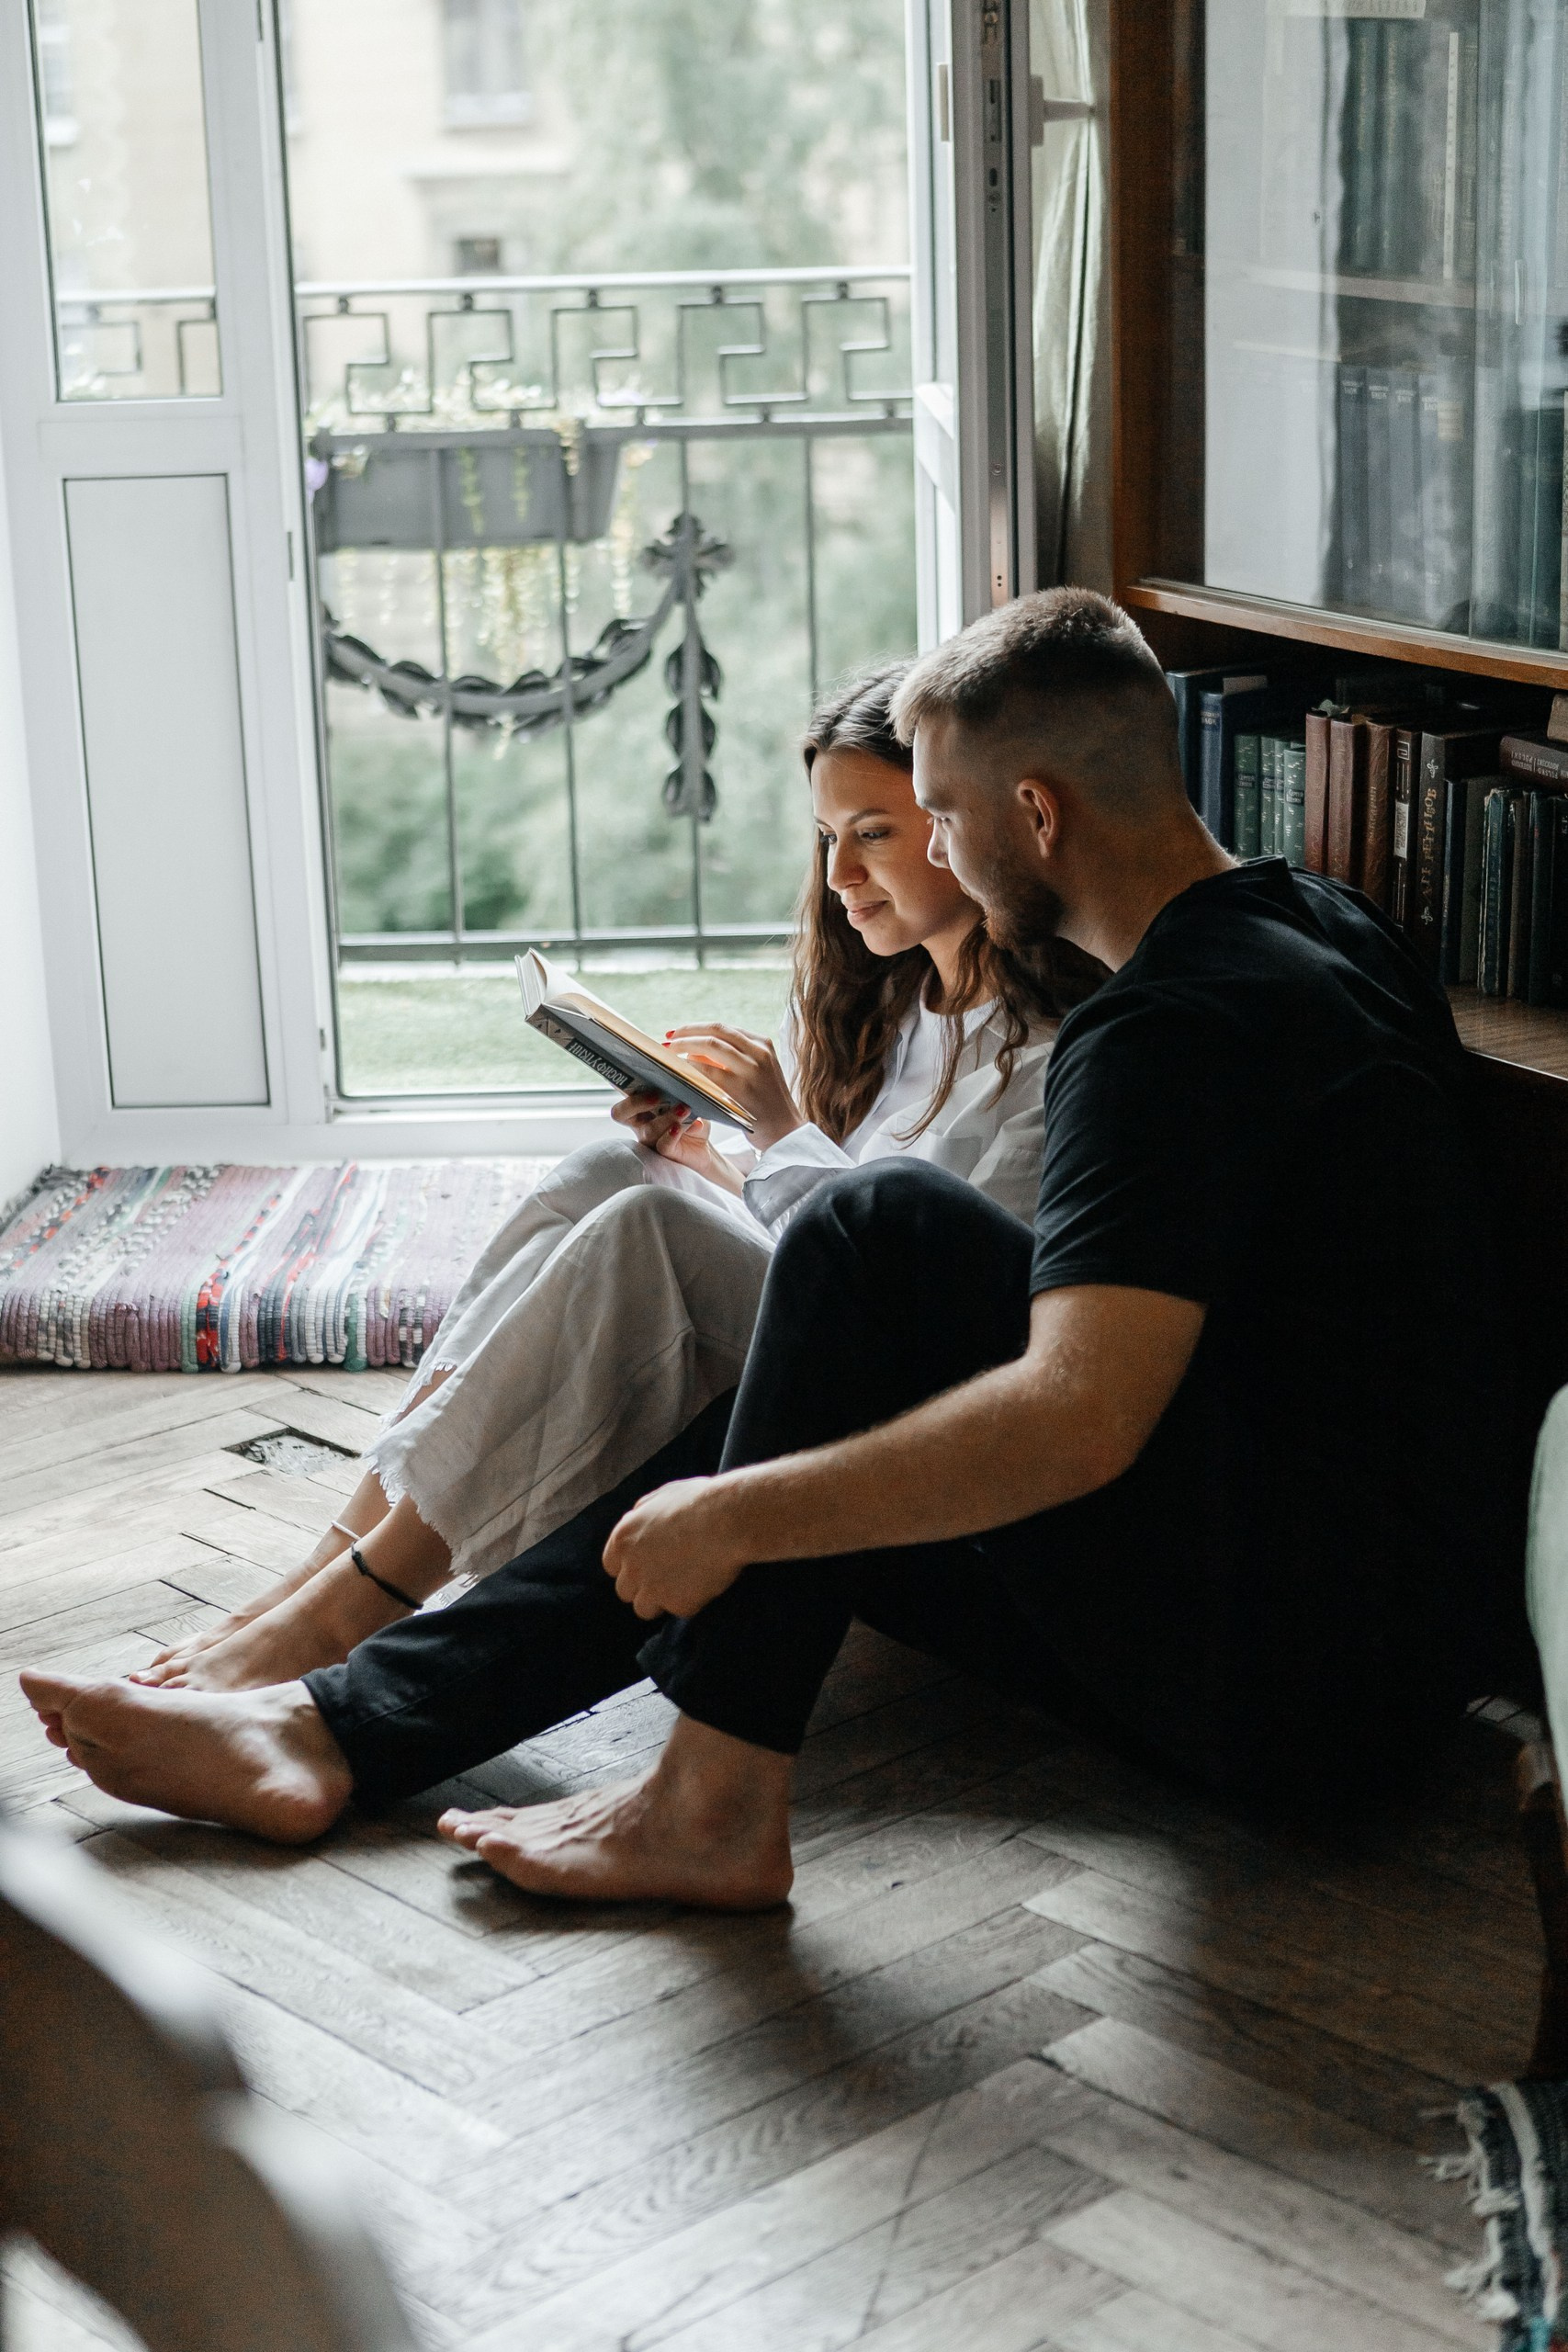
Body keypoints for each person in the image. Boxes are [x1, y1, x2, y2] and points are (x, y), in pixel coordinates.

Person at [22, 588, 1520, 1909]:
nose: (932, 848)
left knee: (867, 1239)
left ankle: (692, 1798)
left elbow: (1076, 1421)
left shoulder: (1162, 1031)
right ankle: (339, 1728)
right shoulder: (1321, 923)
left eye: (939, 814)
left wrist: (737, 1513)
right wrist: (740, 1500)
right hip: (1372, 1640)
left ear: (1037, 812)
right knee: (821, 1337)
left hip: (1290, 1692)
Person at [126, 662, 1098, 1695]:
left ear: (957, 824)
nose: (839, 875)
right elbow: (811, 1218)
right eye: (826, 838)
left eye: (874, 833)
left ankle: (352, 1608)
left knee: (649, 1232)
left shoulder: (1044, 1056)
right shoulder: (888, 1004)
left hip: (896, 1393)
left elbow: (928, 1292)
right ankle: (329, 1563)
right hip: (808, 1331)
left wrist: (778, 1132)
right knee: (611, 1171)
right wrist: (708, 1158)